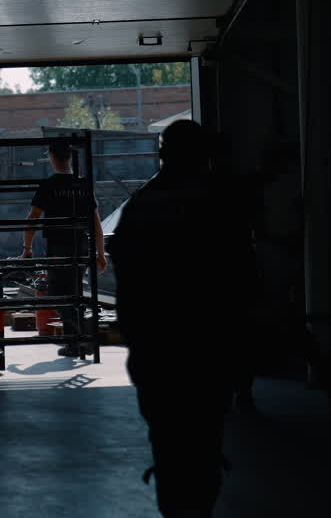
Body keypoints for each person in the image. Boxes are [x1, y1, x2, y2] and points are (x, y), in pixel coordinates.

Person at [109, 119, 254, 517]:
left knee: (169, 444)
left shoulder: (141, 206)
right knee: (204, 443)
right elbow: (240, 277)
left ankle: (177, 504)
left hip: (156, 351)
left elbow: (127, 280)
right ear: (203, 157)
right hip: (208, 348)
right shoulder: (218, 205)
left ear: (162, 156)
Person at [20, 138, 106, 358]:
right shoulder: (82, 185)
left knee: (58, 294)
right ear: (69, 157)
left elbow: (33, 218)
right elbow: (95, 220)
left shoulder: (48, 185)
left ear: (51, 157)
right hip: (81, 245)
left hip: (58, 246)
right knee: (75, 292)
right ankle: (78, 340)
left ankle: (75, 340)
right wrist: (99, 252)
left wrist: (27, 247)